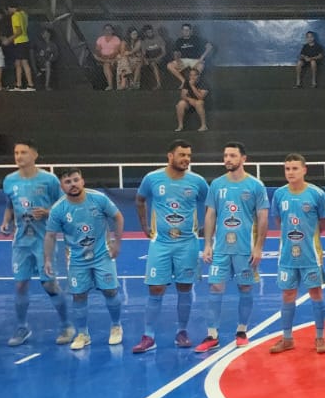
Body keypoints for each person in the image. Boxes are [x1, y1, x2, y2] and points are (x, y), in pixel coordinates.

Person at [133, 140, 211, 353]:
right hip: (161, 243)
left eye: (189, 155)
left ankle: (182, 332)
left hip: (187, 244)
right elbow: (139, 200)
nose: (186, 159)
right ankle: (148, 336)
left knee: (184, 287)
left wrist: (206, 227)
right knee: (156, 288)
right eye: (182, 155)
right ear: (170, 156)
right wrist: (144, 226)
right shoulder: (152, 178)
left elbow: (211, 204)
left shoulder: (197, 181)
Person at [195, 143, 269, 353]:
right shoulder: (217, 184)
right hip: (221, 248)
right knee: (215, 287)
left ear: (243, 158)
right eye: (226, 155)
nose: (227, 159)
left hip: (245, 248)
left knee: (245, 288)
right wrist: (207, 244)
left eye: (232, 155)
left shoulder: (255, 185)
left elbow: (263, 218)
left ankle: (242, 331)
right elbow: (210, 215)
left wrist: (258, 247)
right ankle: (212, 335)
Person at [43, 168, 124, 350]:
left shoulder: (99, 199)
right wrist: (47, 260)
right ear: (62, 186)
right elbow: (50, 235)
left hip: (103, 255)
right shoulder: (58, 209)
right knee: (79, 295)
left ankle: (116, 326)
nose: (73, 184)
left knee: (110, 291)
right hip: (76, 259)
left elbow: (118, 217)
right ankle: (83, 334)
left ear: (82, 181)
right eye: (68, 182)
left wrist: (117, 243)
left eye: (75, 180)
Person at [1, 141, 71, 347]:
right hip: (21, 241)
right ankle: (22, 327)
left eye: (23, 152)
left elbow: (63, 205)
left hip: (44, 240)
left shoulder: (49, 180)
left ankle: (66, 325)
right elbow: (10, 205)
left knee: (49, 283)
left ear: (34, 155)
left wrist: (48, 212)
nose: (19, 156)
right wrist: (6, 221)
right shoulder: (9, 180)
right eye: (16, 152)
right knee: (20, 284)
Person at [268, 154, 325, 355]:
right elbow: (279, 221)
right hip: (287, 255)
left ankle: (320, 337)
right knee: (287, 294)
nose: (290, 172)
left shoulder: (317, 194)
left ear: (304, 170)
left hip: (310, 255)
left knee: (316, 293)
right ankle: (287, 339)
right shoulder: (279, 194)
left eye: (295, 168)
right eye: (287, 169)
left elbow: (324, 222)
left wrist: (309, 237)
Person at [93, 25, 124, 90]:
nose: (108, 31)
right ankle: (110, 86)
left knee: (107, 65)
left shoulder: (116, 39)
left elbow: (116, 51)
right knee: (96, 57)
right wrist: (102, 56)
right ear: (103, 31)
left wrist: (108, 57)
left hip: (113, 59)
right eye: (106, 30)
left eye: (109, 29)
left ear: (112, 31)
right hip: (102, 58)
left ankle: (110, 86)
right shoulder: (100, 39)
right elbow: (98, 50)